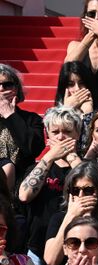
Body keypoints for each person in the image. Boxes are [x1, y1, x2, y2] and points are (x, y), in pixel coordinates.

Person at [19, 107, 82, 265]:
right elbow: (24, 195)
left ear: (78, 134)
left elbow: (95, 190)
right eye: (56, 132)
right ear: (48, 135)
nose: (61, 137)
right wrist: (49, 157)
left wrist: (72, 158)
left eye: (67, 132)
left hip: (77, 251)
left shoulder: (86, 167)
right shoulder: (37, 167)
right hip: (38, 252)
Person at [43, 161, 98, 265]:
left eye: (88, 190)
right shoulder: (58, 219)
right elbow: (51, 260)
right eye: (75, 191)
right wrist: (70, 216)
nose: (81, 196)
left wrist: (87, 217)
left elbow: (96, 258)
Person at [0, 63, 45, 193]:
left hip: (21, 188)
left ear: (16, 89)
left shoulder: (32, 119)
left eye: (7, 85)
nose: (2, 89)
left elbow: (33, 149)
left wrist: (10, 115)